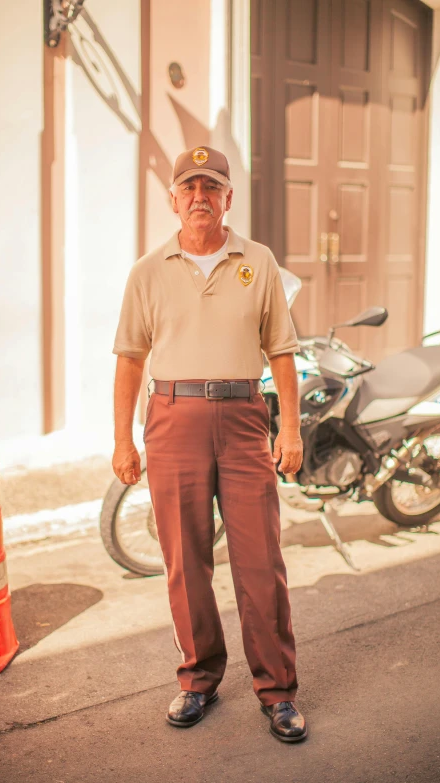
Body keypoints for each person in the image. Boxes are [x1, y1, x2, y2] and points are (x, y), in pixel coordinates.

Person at [111, 146, 306, 743]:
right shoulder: (148, 271)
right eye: (189, 187)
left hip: (246, 416)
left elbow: (281, 351)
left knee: (260, 560)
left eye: (211, 187)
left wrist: (291, 427)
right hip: (172, 418)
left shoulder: (260, 261)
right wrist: (123, 440)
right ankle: (198, 680)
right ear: (173, 199)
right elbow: (129, 360)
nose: (200, 197)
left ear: (228, 198)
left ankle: (278, 692)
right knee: (185, 561)